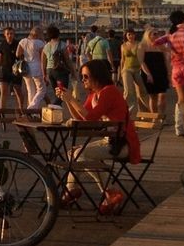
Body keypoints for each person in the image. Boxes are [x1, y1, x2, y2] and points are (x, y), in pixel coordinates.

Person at [54, 59, 140, 210]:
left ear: (97, 76)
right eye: (82, 76)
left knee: (80, 153)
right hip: (109, 141)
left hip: (121, 144)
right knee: (72, 152)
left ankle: (109, 191)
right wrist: (67, 100)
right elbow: (81, 119)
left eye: (86, 76)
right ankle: (72, 188)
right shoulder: (94, 95)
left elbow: (89, 117)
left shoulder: (109, 92)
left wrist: (71, 99)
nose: (83, 80)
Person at [155, 10, 184, 137]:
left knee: (181, 98)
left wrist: (169, 50)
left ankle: (178, 127)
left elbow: (155, 42)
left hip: (176, 69)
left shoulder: (170, 34)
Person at [0, 28, 26, 119]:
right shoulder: (3, 44)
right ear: (4, 35)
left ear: (14, 34)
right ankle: (2, 111)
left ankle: (21, 110)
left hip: (15, 72)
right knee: (3, 92)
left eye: (11, 33)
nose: (9, 35)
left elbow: (22, 57)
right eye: (8, 33)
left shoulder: (18, 44)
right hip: (4, 71)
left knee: (18, 91)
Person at [17, 25, 47, 111]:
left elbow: (17, 54)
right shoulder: (40, 43)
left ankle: (31, 113)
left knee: (30, 90)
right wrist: (44, 71)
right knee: (42, 90)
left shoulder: (23, 41)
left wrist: (26, 56)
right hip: (37, 68)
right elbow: (43, 58)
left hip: (26, 68)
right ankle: (32, 107)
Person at [119, 29, 148, 118]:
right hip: (126, 70)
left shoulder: (139, 44)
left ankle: (145, 112)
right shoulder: (123, 46)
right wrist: (120, 71)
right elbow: (122, 59)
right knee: (128, 91)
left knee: (142, 91)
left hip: (137, 70)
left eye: (132, 34)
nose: (131, 36)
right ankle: (122, 111)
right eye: (129, 34)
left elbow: (142, 58)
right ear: (126, 36)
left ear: (135, 35)